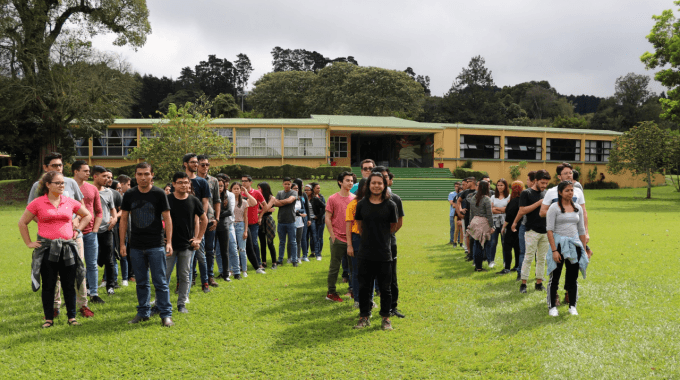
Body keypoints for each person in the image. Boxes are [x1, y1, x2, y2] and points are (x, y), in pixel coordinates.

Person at [20, 171, 92, 328]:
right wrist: (29, 242)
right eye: (57, 183)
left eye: (62, 183)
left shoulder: (69, 201)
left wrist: (77, 230)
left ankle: (72, 317)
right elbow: (22, 222)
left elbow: (87, 215)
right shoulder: (38, 203)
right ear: (48, 184)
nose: (61, 186)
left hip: (67, 248)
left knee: (69, 283)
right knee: (48, 285)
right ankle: (48, 319)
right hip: (47, 249)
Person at [119, 162, 174, 327]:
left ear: (152, 175)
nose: (143, 177)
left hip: (156, 245)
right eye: (139, 174)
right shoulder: (129, 194)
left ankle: (166, 315)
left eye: (146, 174)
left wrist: (169, 241)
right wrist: (122, 243)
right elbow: (123, 220)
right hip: (135, 245)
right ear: (135, 176)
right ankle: (143, 312)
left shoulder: (159, 194)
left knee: (160, 282)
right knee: (141, 282)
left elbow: (168, 219)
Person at [353, 172, 398, 331]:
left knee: (385, 288)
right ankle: (364, 316)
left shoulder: (390, 205)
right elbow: (358, 225)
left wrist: (382, 237)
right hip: (365, 252)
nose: (376, 186)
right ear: (368, 185)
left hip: (384, 253)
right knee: (364, 287)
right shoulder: (361, 204)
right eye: (373, 183)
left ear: (384, 185)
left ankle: (386, 318)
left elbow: (394, 226)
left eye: (380, 183)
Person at [539, 162, 589, 304]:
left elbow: (583, 213)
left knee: (573, 267)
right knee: (556, 265)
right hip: (557, 236)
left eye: (571, 172)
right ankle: (553, 296)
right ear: (559, 176)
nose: (569, 175)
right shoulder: (551, 192)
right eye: (566, 173)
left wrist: (586, 232)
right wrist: (560, 212)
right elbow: (542, 212)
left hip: (574, 237)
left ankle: (569, 293)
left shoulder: (577, 191)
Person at [546, 181, 593, 317]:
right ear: (560, 192)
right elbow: (549, 230)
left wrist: (583, 249)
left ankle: (572, 305)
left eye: (572, 190)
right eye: (567, 190)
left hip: (574, 245)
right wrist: (554, 250)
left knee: (573, 277)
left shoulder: (577, 207)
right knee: (555, 277)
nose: (570, 193)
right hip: (559, 245)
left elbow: (581, 230)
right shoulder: (554, 208)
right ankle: (552, 307)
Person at [166, 172, 208, 313]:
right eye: (180, 182)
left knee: (185, 275)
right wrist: (163, 238)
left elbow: (205, 219)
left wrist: (198, 238)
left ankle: (181, 303)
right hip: (170, 245)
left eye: (186, 182)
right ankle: (161, 302)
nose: (184, 185)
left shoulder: (194, 200)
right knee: (164, 275)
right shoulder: (167, 199)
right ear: (174, 184)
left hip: (187, 245)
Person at [374, 167, 406, 318]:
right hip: (369, 243)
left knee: (391, 277)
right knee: (368, 277)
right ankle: (366, 309)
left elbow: (399, 222)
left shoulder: (395, 199)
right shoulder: (365, 199)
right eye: (381, 177)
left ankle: (392, 307)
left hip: (389, 244)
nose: (384, 179)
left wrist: (387, 235)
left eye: (386, 177)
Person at [71, 161, 101, 316]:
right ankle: (73, 296)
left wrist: (95, 229)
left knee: (92, 264)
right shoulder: (67, 187)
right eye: (85, 170)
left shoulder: (92, 188)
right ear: (76, 171)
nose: (89, 173)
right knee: (75, 266)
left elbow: (99, 211)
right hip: (72, 233)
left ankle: (94, 293)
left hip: (90, 233)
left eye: (89, 170)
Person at [180, 153, 212, 292]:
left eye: (196, 162)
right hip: (182, 224)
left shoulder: (202, 182)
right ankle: (183, 283)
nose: (196, 164)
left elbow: (205, 202)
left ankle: (205, 283)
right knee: (182, 255)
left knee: (200, 255)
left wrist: (200, 217)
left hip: (198, 223)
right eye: (192, 162)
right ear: (185, 164)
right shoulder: (180, 180)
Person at [518, 169, 551, 294]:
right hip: (531, 231)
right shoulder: (526, 193)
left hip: (545, 231)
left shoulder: (547, 193)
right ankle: (523, 284)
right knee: (528, 257)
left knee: (542, 259)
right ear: (535, 180)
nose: (544, 186)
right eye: (542, 183)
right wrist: (539, 203)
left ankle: (539, 283)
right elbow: (522, 210)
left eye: (546, 183)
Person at [325, 171, 355, 302]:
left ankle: (353, 290)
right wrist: (332, 235)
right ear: (340, 182)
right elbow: (327, 218)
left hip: (352, 239)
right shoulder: (332, 198)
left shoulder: (355, 198)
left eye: (352, 180)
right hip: (337, 238)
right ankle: (331, 292)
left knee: (354, 267)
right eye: (347, 180)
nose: (350, 183)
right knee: (334, 267)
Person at [92, 166, 117, 296]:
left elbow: (113, 209)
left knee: (109, 258)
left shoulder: (108, 192)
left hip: (106, 230)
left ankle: (110, 286)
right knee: (91, 259)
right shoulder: (87, 190)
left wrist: (114, 219)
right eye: (104, 176)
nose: (107, 179)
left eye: (109, 177)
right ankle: (89, 286)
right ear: (95, 176)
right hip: (90, 230)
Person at [196, 155, 221, 287]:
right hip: (195, 220)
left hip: (210, 218)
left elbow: (217, 200)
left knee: (210, 250)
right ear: (197, 166)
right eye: (202, 164)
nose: (205, 167)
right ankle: (193, 276)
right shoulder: (191, 179)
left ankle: (210, 276)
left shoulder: (213, 181)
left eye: (207, 164)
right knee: (194, 248)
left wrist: (217, 218)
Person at [510, 171, 536, 281]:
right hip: (525, 226)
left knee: (537, 253)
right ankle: (520, 273)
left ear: (533, 181)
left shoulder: (544, 194)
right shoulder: (526, 193)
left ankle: (538, 276)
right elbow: (521, 211)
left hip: (538, 227)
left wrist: (515, 222)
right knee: (523, 251)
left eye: (527, 180)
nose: (526, 182)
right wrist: (515, 222)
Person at [241, 174, 267, 274]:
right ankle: (241, 265)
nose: (243, 183)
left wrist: (260, 217)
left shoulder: (256, 193)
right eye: (242, 181)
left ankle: (258, 263)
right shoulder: (239, 193)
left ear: (251, 182)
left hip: (253, 222)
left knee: (254, 243)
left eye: (246, 181)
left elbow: (265, 205)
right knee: (242, 244)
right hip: (242, 222)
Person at [230, 182, 257, 279]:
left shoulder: (245, 202)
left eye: (238, 188)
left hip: (241, 225)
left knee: (242, 249)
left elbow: (246, 217)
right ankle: (231, 270)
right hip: (231, 225)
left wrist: (246, 231)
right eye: (234, 188)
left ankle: (244, 270)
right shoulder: (229, 201)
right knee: (232, 250)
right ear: (231, 190)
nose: (236, 190)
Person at [466, 181, 494, 272]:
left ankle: (477, 265)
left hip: (474, 221)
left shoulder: (473, 197)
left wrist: (470, 224)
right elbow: (489, 214)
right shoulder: (486, 199)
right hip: (483, 222)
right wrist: (492, 226)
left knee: (476, 244)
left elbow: (471, 213)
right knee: (481, 246)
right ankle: (479, 267)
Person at [499, 181, 523, 274]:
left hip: (511, 227)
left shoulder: (513, 201)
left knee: (507, 247)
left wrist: (503, 226)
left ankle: (507, 267)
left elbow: (509, 216)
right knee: (517, 248)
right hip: (520, 227)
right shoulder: (522, 200)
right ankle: (517, 266)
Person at [273, 177, 299, 267]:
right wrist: (284, 202)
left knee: (293, 242)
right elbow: (275, 204)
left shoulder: (294, 192)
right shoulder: (280, 193)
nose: (287, 185)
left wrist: (280, 202)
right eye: (285, 184)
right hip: (281, 221)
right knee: (282, 242)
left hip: (291, 221)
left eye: (289, 184)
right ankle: (280, 260)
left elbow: (290, 200)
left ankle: (294, 260)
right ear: (283, 184)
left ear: (291, 184)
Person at [215, 174, 234, 280]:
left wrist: (217, 215)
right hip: (212, 226)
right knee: (211, 251)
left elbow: (230, 212)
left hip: (223, 226)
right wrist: (220, 213)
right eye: (218, 186)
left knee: (224, 251)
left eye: (221, 186)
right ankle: (211, 275)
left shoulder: (227, 196)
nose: (220, 188)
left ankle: (226, 274)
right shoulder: (210, 197)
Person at [116, 174, 134, 283]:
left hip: (128, 229)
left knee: (129, 252)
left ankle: (130, 275)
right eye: (128, 185)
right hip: (118, 227)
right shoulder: (119, 196)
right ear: (122, 184)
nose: (129, 187)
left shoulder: (129, 196)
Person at [489, 179, 509, 268]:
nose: (499, 187)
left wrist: (497, 209)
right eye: (498, 185)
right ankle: (491, 261)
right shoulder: (493, 197)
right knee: (493, 242)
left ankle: (505, 261)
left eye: (501, 185)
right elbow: (491, 210)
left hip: (505, 222)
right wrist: (502, 210)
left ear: (505, 186)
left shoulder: (509, 196)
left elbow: (507, 209)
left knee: (504, 242)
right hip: (494, 221)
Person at [257, 182, 277, 268]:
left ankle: (274, 262)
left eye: (259, 188)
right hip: (260, 220)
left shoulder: (271, 197)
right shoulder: (258, 197)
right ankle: (264, 262)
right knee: (262, 243)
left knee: (270, 242)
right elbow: (257, 209)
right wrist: (268, 209)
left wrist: (265, 209)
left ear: (264, 189)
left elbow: (265, 208)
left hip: (268, 220)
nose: (258, 190)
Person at [456, 178, 477, 260]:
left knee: (475, 235)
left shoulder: (477, 192)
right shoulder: (465, 192)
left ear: (472, 182)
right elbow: (458, 201)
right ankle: (469, 253)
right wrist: (461, 209)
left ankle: (476, 253)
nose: (465, 184)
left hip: (476, 216)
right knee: (467, 235)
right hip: (467, 216)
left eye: (467, 182)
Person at [294, 178, 313, 262]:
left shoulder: (303, 195)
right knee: (294, 238)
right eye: (301, 184)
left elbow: (306, 208)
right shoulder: (291, 194)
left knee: (304, 237)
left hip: (303, 219)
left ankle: (304, 255)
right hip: (294, 219)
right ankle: (294, 256)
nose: (302, 186)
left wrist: (308, 219)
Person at [309, 182, 326, 260]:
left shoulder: (321, 197)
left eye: (319, 188)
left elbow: (324, 208)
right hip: (312, 220)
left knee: (319, 237)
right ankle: (313, 252)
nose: (319, 189)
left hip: (320, 220)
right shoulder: (309, 198)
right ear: (312, 189)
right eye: (317, 188)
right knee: (312, 236)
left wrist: (318, 216)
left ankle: (319, 252)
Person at [292, 183, 307, 264]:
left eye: (297, 188)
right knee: (291, 241)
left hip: (300, 222)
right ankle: (291, 257)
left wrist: (298, 212)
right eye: (294, 188)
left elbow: (303, 209)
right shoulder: (290, 198)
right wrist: (299, 213)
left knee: (298, 241)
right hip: (291, 222)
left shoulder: (300, 198)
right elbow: (291, 211)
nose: (296, 190)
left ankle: (298, 257)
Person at [304, 184, 317, 258]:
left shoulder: (315, 199)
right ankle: (305, 252)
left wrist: (317, 216)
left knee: (313, 236)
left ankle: (313, 252)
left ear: (311, 191)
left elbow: (323, 207)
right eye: (305, 190)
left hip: (313, 220)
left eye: (307, 190)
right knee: (305, 236)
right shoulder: (303, 198)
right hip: (305, 219)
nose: (306, 191)